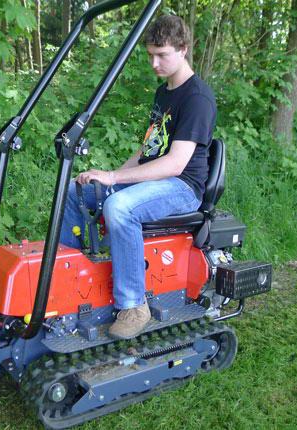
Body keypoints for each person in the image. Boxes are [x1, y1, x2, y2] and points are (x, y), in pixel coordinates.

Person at [59, 15, 217, 339]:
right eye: (150, 55)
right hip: (157, 181)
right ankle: (68, 282)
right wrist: (109, 177)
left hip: (182, 187)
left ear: (183, 49)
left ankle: (134, 306)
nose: (154, 63)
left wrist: (115, 177)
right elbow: (149, 150)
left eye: (162, 55)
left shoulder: (197, 98)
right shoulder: (164, 92)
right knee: (73, 191)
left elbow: (175, 164)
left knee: (119, 207)